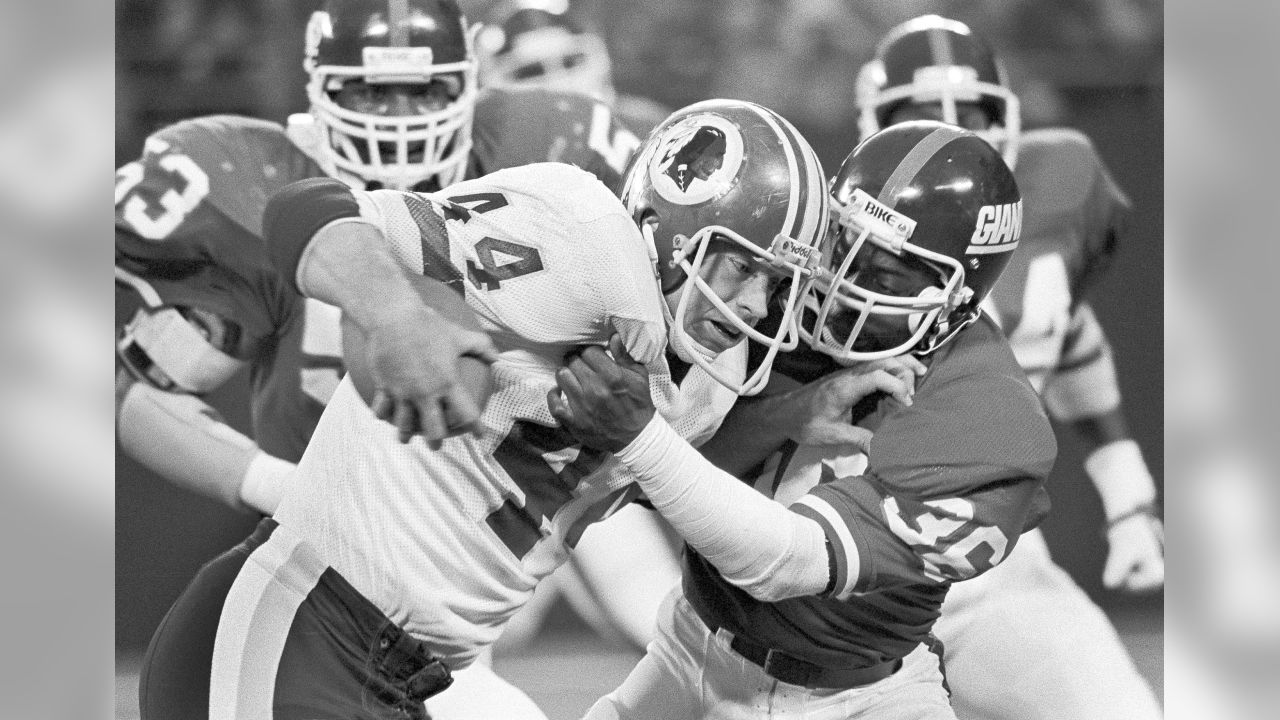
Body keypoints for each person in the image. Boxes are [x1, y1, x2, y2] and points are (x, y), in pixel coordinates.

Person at [136, 99, 902, 719]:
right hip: (297, 632)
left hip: (407, 680)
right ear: (673, 235)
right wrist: (396, 315)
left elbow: (658, 466)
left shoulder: (709, 377)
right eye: (742, 267)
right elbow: (306, 210)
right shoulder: (581, 238)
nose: (754, 304)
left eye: (778, 284)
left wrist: (788, 415)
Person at [114, 0, 644, 717]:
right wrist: (278, 484)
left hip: (478, 577)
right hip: (335, 589)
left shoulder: (541, 152)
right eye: (368, 90)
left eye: (421, 89)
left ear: (470, 82)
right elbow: (145, 397)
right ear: (318, 90)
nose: (396, 114)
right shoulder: (259, 182)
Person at [550, 120, 1057, 719]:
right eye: (846, 247)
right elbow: (675, 477)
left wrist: (639, 437)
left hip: (862, 698)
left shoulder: (987, 420)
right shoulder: (769, 298)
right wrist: (789, 414)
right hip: (691, 649)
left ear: (955, 300)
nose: (845, 284)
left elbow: (785, 564)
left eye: (887, 273)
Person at [853, 15, 1163, 720]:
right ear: (874, 116)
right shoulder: (844, 216)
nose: (953, 131)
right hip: (859, 561)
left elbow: (1066, 324)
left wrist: (1124, 484)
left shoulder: (1061, 186)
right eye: (923, 112)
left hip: (994, 560)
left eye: (974, 112)